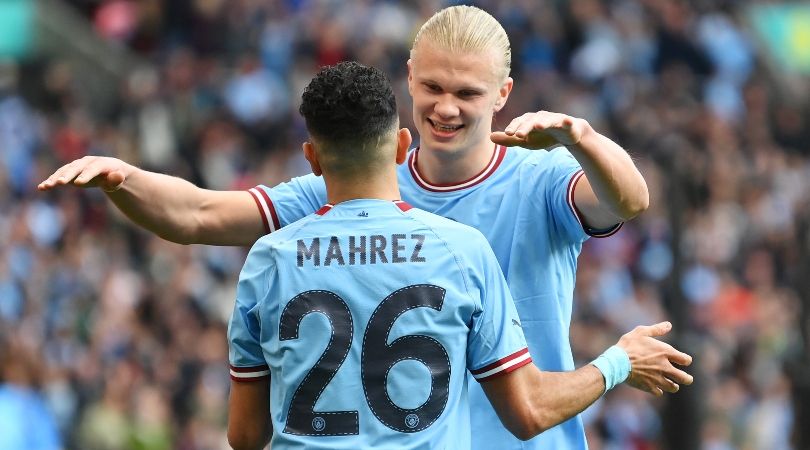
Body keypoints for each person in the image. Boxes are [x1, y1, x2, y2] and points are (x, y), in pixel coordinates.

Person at [39, 5, 685, 449]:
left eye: (467, 92)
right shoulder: (358, 183)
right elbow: (199, 213)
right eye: (432, 86)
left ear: (503, 94)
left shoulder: (538, 179)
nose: (447, 106)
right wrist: (123, 179)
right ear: (408, 79)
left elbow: (627, 200)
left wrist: (583, 138)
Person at [226, 60, 690, 450]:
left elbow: (246, 436)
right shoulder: (460, 248)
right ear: (402, 146)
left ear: (311, 157)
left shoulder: (268, 260)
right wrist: (619, 361)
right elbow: (527, 411)